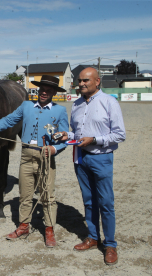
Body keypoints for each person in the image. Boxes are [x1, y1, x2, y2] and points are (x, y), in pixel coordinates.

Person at [0, 75, 69, 247]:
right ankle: (23, 226)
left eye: (48, 90)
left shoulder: (60, 111)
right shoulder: (26, 105)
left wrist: (54, 149)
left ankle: (49, 230)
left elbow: (65, 138)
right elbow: (9, 120)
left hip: (46, 156)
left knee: (47, 195)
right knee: (25, 194)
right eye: (42, 89)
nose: (44, 93)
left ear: (54, 93)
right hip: (26, 155)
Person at [54, 67, 125, 265]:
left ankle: (110, 244)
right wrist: (68, 135)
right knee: (88, 201)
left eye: (86, 80)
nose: (82, 84)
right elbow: (77, 133)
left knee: (106, 203)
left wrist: (95, 139)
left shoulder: (109, 102)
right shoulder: (76, 104)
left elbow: (120, 134)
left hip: (101, 158)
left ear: (97, 81)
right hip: (81, 158)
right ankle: (93, 238)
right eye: (80, 81)